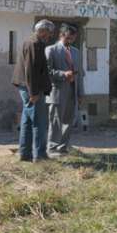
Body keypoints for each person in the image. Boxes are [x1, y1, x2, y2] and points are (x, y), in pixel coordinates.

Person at [12, 19, 55, 162]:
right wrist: (34, 93)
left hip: (27, 86)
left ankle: (25, 154)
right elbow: (30, 70)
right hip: (31, 88)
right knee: (39, 122)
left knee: (27, 121)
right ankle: (40, 155)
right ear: (42, 31)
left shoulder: (34, 42)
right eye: (48, 33)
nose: (49, 37)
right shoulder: (34, 44)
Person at [45, 24, 84, 155]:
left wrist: (80, 93)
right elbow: (47, 72)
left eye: (73, 39)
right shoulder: (51, 50)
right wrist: (63, 74)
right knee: (55, 120)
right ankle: (52, 148)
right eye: (68, 38)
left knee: (68, 120)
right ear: (61, 35)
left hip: (72, 91)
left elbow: (80, 75)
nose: (70, 41)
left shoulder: (76, 52)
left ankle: (63, 147)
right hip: (57, 91)